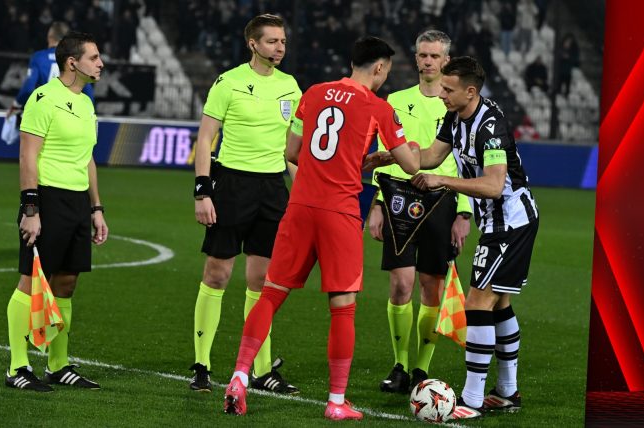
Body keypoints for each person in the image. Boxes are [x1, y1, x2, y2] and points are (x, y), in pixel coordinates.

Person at [223, 36, 421, 420]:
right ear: (379, 68)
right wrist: (400, 148)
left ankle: (239, 377)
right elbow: (411, 166)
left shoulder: (313, 93)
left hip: (299, 208)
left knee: (270, 295)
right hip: (340, 214)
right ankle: (335, 401)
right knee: (342, 308)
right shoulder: (378, 108)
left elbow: (292, 152)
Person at [411, 56, 539, 419]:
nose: (441, 95)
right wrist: (389, 155)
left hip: (510, 223)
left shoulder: (490, 126)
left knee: (477, 303)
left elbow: (494, 185)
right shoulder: (454, 118)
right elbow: (430, 157)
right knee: (498, 304)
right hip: (501, 224)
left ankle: (470, 399)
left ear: (471, 91)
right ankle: (508, 391)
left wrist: (444, 181)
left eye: (448, 90)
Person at [190, 13, 302, 394]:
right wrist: (203, 192)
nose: (280, 47)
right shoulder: (230, 82)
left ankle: (262, 368)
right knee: (217, 274)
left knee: (263, 281)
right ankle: (202, 364)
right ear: (253, 44)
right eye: (272, 41)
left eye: (283, 41)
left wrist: (300, 193)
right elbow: (206, 139)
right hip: (231, 184)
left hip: (272, 189)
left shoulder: (291, 87)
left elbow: (292, 151)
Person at [369, 30, 472, 395]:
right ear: (415, 59)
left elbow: (462, 164)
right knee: (400, 285)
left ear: (446, 61)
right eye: (422, 55)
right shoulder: (394, 101)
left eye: (434, 56)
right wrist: (377, 204)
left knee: (432, 288)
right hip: (398, 199)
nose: (427, 61)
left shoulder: (456, 106)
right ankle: (399, 364)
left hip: (442, 200)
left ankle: (420, 370)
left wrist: (464, 212)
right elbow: (385, 153)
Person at [4, 31, 107, 392]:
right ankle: (17, 367)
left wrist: (96, 207)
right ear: (72, 62)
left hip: (78, 202)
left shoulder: (86, 102)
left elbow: (88, 159)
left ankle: (58, 365)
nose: (101, 63)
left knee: (66, 282)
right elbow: (27, 155)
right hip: (46, 198)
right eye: (94, 57)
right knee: (32, 281)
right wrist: (30, 208)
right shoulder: (43, 98)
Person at [7, 22, 94, 118]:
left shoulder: (39, 57)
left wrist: (15, 105)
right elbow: (88, 94)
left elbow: (28, 89)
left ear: (49, 37)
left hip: (43, 116)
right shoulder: (77, 61)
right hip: (68, 119)